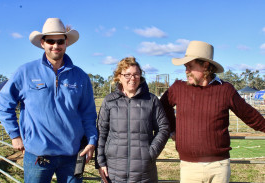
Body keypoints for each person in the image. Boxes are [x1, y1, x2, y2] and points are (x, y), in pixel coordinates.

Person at [0, 18, 98, 183]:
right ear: (43, 43)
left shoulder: (80, 76)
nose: (55, 45)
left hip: (72, 156)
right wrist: (15, 135)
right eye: (50, 41)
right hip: (38, 157)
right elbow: (3, 103)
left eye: (60, 41)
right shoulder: (25, 72)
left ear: (66, 43)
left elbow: (88, 113)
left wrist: (92, 140)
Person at [160, 40, 265, 183]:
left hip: (219, 167)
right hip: (189, 167)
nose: (186, 71)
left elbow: (249, 115)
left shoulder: (225, 89)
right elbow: (162, 107)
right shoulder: (178, 88)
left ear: (205, 66)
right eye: (185, 66)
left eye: (190, 66)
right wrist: (172, 129)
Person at [96, 57, 169, 183]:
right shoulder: (109, 101)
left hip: (144, 173)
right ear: (119, 76)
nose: (132, 78)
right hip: (114, 171)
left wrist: (150, 153)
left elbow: (163, 128)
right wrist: (100, 162)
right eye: (127, 74)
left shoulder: (151, 100)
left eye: (136, 74)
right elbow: (101, 133)